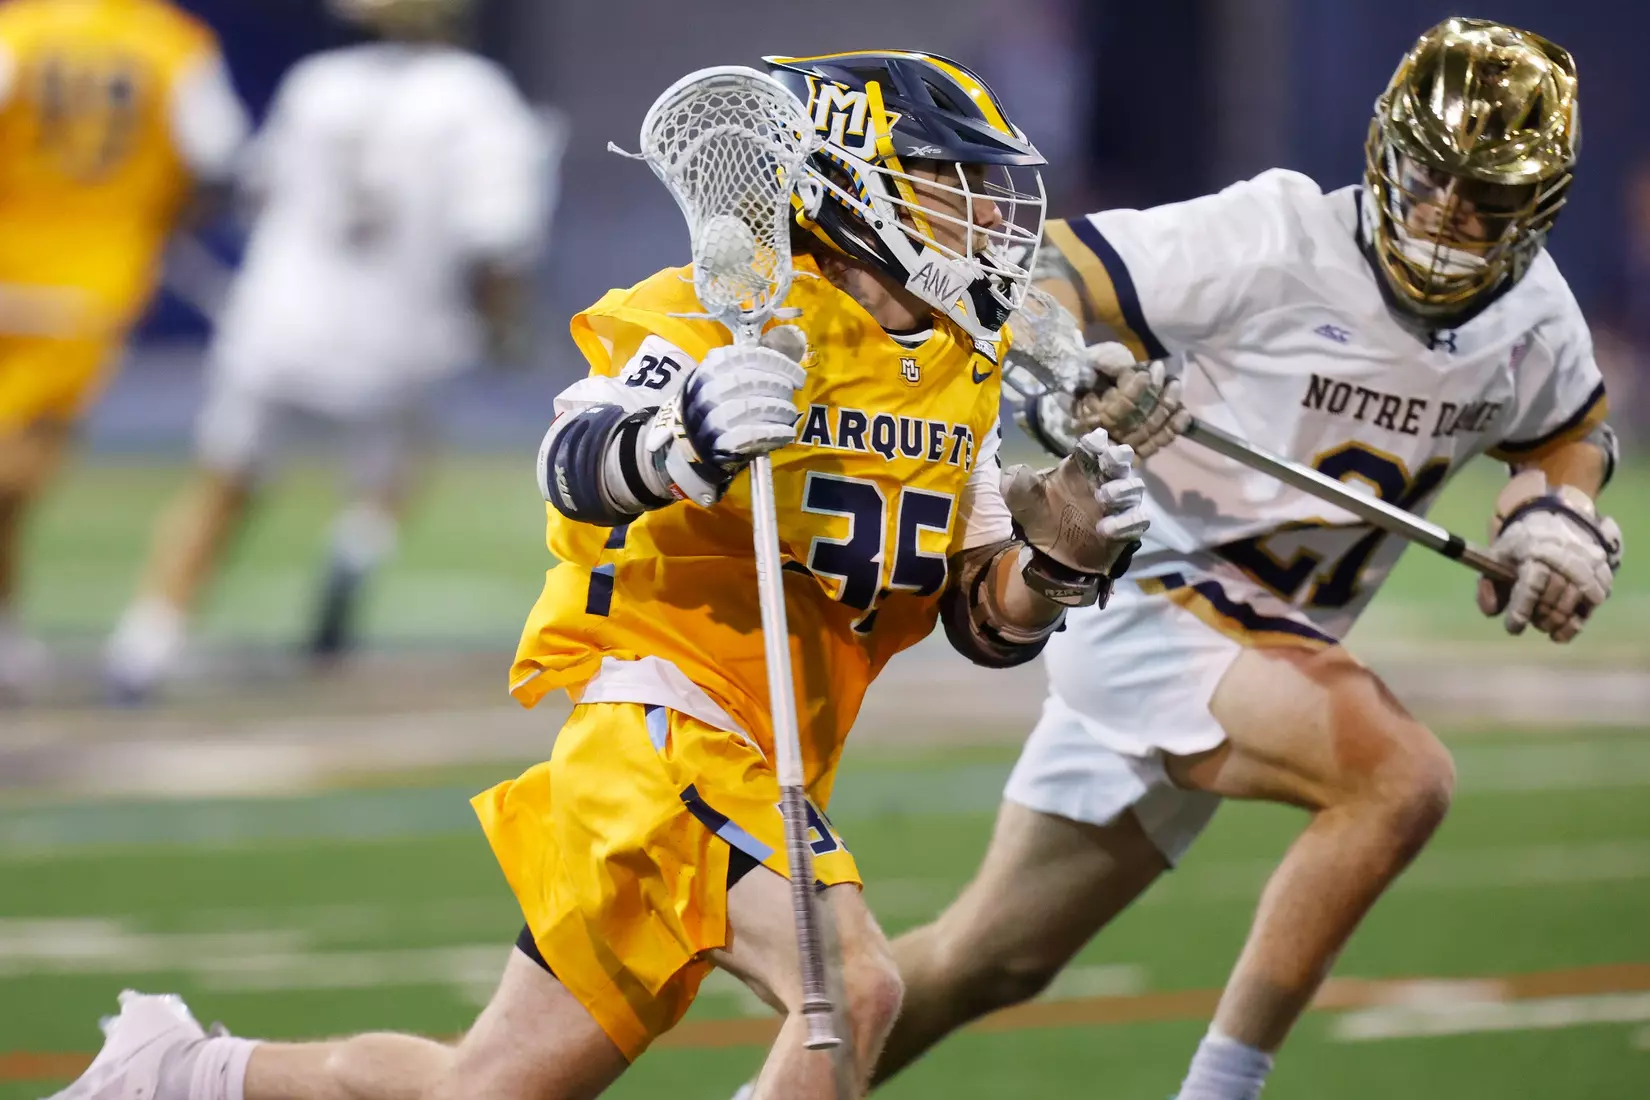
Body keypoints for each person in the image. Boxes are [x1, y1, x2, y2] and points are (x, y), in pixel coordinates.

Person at [53, 50, 1148, 1100]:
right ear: (855, 186)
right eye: (953, 185)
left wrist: (1057, 560)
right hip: (663, 726)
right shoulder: (731, 307)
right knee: (852, 984)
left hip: (772, 752)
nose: (990, 214)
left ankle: (176, 1069)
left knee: (482, 1083)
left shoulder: (962, 361)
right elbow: (571, 461)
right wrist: (685, 438)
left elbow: (982, 622)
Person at [864, 18, 1623, 1100]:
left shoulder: (1533, 315)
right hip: (1145, 586)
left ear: (1537, 203)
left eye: (1486, 196)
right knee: (1400, 779)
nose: (1448, 214)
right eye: (1430, 177)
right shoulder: (1275, 238)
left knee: (987, 957)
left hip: (1262, 643)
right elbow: (1043, 279)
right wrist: (1081, 370)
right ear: (1384, 153)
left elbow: (1569, 429)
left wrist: (1557, 514)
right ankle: (1224, 1088)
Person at [102, 0, 554, 698]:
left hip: (280, 320)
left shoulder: (316, 83)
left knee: (223, 485)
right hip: (400, 337)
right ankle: (357, 549)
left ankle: (148, 642)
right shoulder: (481, 101)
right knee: (396, 467)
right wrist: (503, 327)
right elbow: (497, 239)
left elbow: (254, 190)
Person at [0, 0, 249, 698]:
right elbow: (218, 160)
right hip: (89, 279)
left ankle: (6, 637)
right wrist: (153, 215)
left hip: (15, 261)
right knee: (19, 472)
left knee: (13, 483)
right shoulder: (171, 44)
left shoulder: (18, 31)